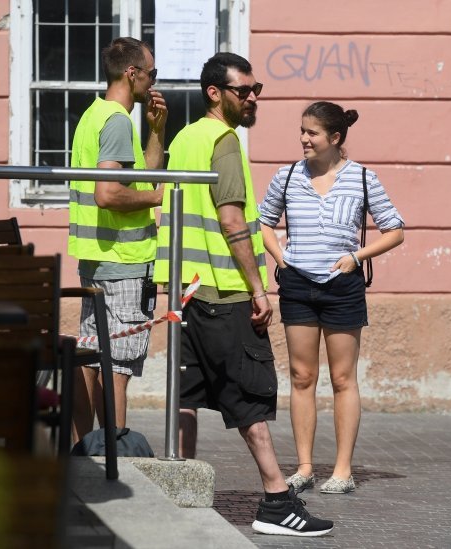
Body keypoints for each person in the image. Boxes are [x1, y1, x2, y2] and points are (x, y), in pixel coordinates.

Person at [153, 52, 333, 537]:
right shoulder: (223, 140)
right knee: (249, 397)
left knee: (185, 394)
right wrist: (259, 289)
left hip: (185, 290)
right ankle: (276, 500)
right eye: (244, 90)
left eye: (256, 90)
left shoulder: (186, 137)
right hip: (223, 289)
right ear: (216, 93)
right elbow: (233, 221)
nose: (252, 98)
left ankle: (180, 489)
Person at [259, 101, 404, 494]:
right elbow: (264, 222)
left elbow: (395, 230)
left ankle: (343, 470)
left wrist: (356, 257)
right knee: (302, 376)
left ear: (335, 138)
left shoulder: (362, 179)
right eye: (302, 131)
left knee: (343, 378)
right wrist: (280, 258)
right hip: (297, 286)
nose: (303, 138)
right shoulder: (287, 176)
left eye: (312, 133)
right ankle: (304, 467)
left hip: (343, 288)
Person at [68, 37, 166, 443]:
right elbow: (108, 193)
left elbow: (139, 175)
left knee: (90, 361)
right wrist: (158, 197)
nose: (153, 81)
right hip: (123, 261)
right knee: (117, 367)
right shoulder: (117, 121)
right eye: (152, 74)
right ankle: (116, 463)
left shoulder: (96, 114)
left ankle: (80, 458)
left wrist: (157, 132)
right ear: (133, 73)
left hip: (96, 258)